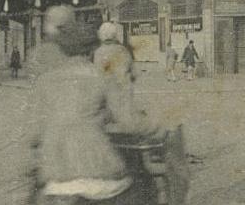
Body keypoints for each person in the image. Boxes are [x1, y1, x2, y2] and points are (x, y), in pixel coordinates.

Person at [28, 11, 169, 204]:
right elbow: (129, 122)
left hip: (55, 180)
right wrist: (158, 127)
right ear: (90, 51)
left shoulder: (45, 82)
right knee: (142, 189)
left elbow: (34, 133)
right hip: (98, 175)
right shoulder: (100, 76)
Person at [94, 22, 134, 86]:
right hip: (121, 89)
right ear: (115, 34)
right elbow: (133, 73)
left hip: (105, 89)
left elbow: (97, 74)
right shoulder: (123, 50)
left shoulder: (98, 52)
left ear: (101, 35)